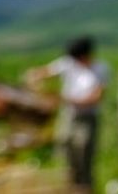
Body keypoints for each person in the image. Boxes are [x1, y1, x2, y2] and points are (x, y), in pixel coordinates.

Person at [25, 36, 109, 194]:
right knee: (66, 150)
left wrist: (63, 99)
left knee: (84, 154)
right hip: (68, 117)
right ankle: (72, 187)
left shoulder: (100, 69)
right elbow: (42, 72)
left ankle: (85, 188)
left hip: (87, 118)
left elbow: (95, 98)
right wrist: (35, 79)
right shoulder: (68, 63)